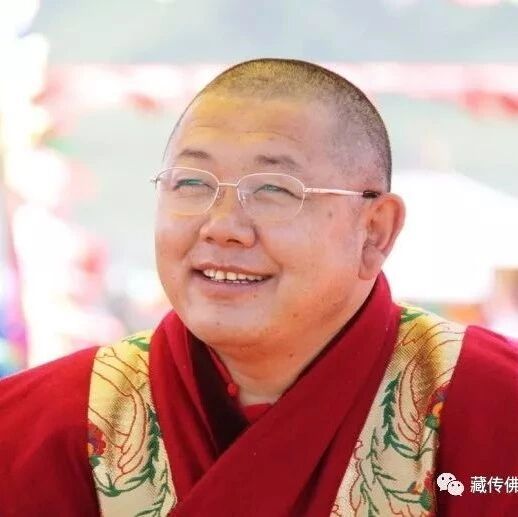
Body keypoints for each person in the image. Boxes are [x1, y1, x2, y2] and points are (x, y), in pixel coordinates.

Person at [1, 58, 517, 517]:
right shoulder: (37, 427)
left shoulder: (492, 405)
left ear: (374, 232)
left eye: (274, 189)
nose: (222, 226)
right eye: (191, 183)